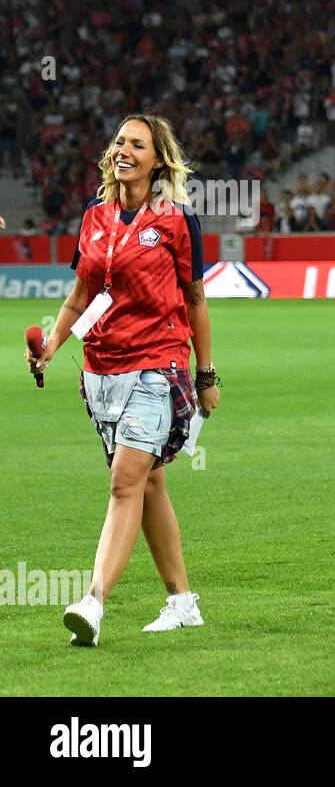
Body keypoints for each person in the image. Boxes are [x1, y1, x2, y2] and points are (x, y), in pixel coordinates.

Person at [26, 113, 220, 647]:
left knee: (124, 482)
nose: (123, 150)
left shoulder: (177, 219)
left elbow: (196, 301)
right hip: (101, 372)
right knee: (149, 482)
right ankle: (182, 602)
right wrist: (50, 350)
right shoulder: (93, 217)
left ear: (157, 159)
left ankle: (93, 602)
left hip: (159, 365)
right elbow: (79, 297)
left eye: (137, 144)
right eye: (118, 141)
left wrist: (207, 373)